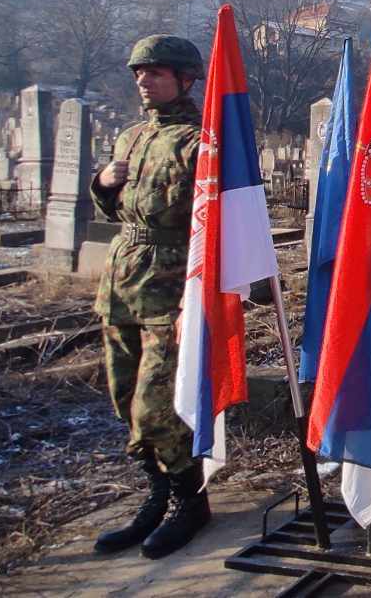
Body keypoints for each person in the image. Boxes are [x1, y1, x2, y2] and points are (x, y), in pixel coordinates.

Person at [88, 35, 211, 559]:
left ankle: (191, 500)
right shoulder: (132, 137)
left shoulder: (200, 142)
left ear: (184, 78)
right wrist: (102, 183)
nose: (144, 80)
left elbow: (214, 224)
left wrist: (194, 300)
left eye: (155, 72)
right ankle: (158, 493)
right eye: (139, 72)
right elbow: (116, 211)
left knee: (156, 408)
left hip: (171, 286)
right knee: (124, 398)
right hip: (121, 284)